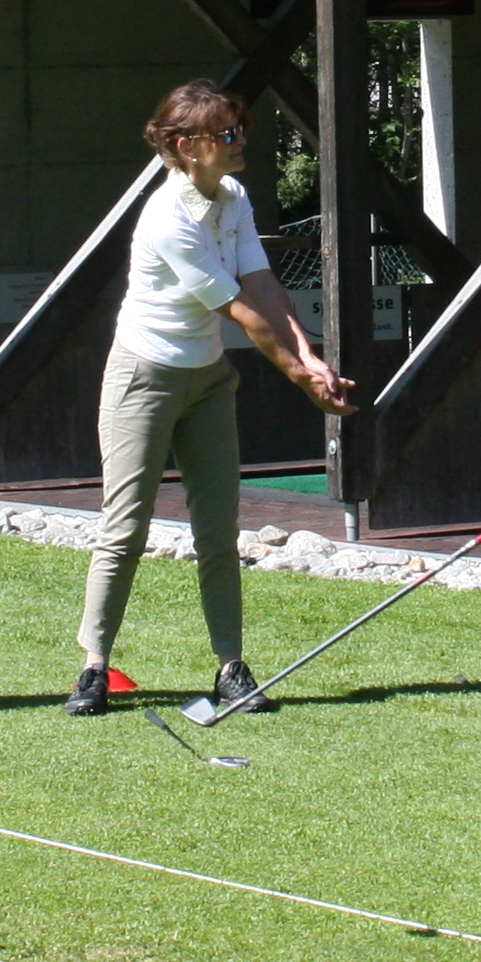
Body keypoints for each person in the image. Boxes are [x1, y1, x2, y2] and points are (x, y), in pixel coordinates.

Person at [70, 79, 354, 718]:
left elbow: (262, 281)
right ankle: (92, 667)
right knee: (125, 528)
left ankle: (231, 668)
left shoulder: (233, 196)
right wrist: (303, 381)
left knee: (218, 531)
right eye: (225, 134)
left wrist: (311, 355)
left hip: (207, 380)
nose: (239, 142)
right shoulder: (167, 216)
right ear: (183, 146)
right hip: (143, 377)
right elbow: (241, 311)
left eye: (240, 129)